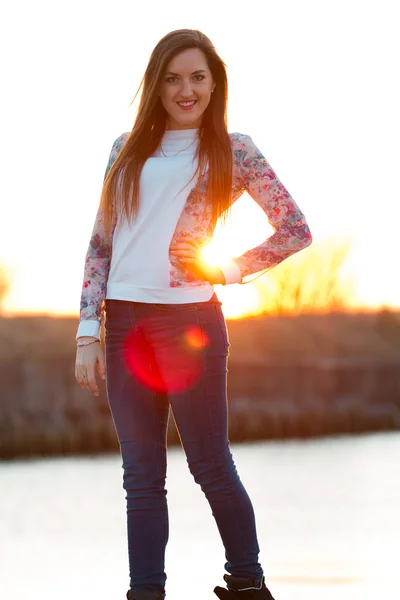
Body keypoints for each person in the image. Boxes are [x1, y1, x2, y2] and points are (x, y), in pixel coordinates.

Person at [74, 28, 312, 600]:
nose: (186, 89)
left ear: (214, 83)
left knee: (208, 464)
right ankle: (145, 592)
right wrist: (87, 329)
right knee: (140, 479)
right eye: (174, 78)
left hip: (189, 325)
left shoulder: (235, 149)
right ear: (156, 86)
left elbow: (295, 229)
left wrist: (226, 269)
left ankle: (247, 583)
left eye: (198, 77)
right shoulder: (124, 148)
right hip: (124, 323)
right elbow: (102, 244)